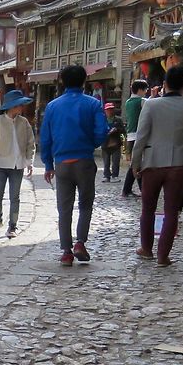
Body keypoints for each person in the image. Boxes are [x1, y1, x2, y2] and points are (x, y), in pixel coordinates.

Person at [40, 64, 108, 266]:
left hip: (61, 163)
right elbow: (101, 132)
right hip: (84, 161)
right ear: (84, 81)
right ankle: (80, 242)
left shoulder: (52, 106)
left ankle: (66, 252)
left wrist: (48, 164)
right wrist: (90, 144)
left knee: (64, 208)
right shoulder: (93, 104)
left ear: (62, 81)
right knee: (86, 204)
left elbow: (45, 138)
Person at [131, 65, 183, 267]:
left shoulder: (150, 105)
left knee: (148, 208)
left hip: (152, 162)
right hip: (178, 161)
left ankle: (146, 249)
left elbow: (141, 136)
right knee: (171, 212)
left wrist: (135, 163)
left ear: (165, 83)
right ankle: (163, 256)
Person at [0, 90, 35, 239]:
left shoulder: (23, 122)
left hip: (17, 165)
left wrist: (29, 161)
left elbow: (30, 143)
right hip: (1, 164)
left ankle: (13, 226)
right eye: (19, 105)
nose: (21, 107)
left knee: (15, 196)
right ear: (12, 106)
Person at [121, 79, 148, 198]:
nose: (146, 92)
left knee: (136, 163)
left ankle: (131, 190)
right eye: (145, 90)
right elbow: (151, 108)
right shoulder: (141, 101)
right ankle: (130, 190)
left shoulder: (128, 101)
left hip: (130, 135)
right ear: (141, 90)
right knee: (137, 164)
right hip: (139, 134)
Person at [101, 102, 125, 182]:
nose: (110, 111)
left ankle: (115, 175)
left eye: (111, 109)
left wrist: (117, 130)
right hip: (105, 143)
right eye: (108, 110)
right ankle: (106, 175)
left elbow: (123, 131)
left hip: (116, 143)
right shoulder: (102, 120)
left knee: (116, 161)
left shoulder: (118, 120)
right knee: (106, 161)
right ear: (105, 110)